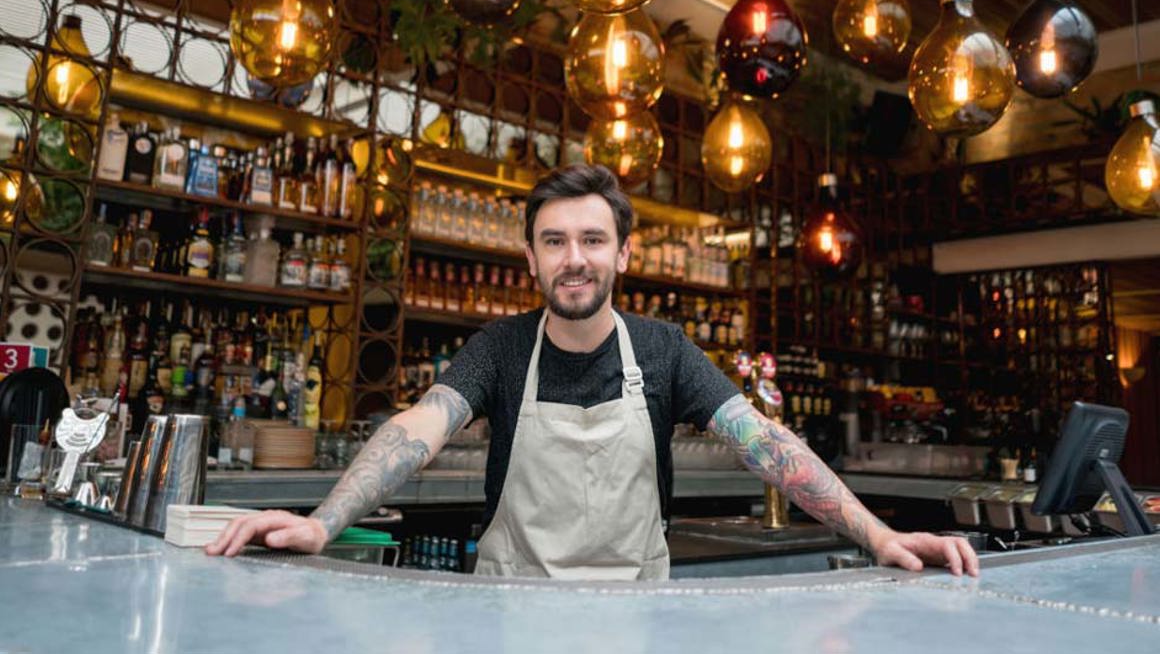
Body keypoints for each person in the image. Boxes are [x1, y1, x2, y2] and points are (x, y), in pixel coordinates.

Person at [207, 164, 979, 580]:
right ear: (531, 257)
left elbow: (763, 441)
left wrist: (879, 537)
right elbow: (420, 427)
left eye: (591, 239)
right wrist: (321, 522)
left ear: (622, 253)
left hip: (634, 625)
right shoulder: (502, 349)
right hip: (510, 617)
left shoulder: (666, 350)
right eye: (553, 241)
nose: (573, 258)